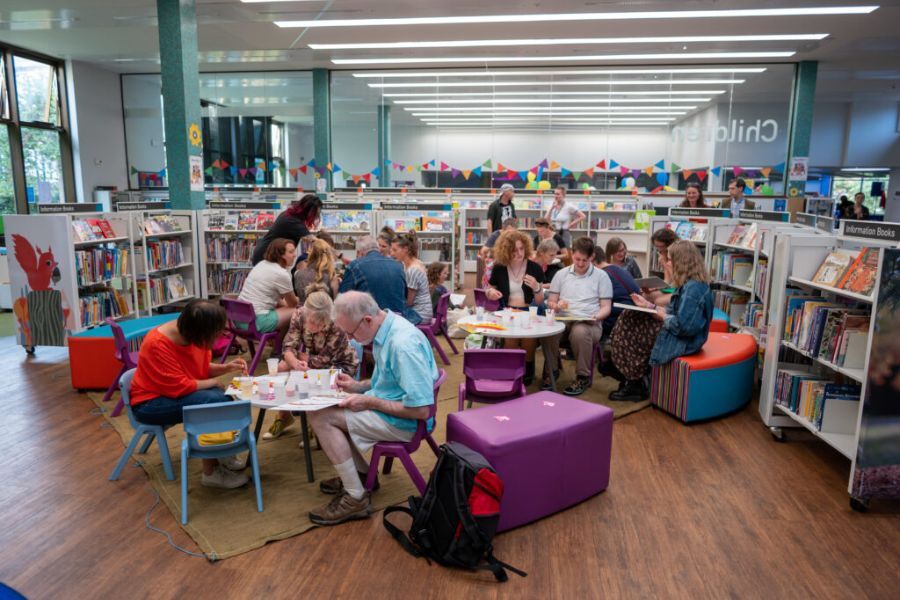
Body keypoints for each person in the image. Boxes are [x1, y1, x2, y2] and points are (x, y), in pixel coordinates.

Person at [307, 291, 439, 526]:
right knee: (328, 406)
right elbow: (389, 382)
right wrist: (358, 386)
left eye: (351, 332)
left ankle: (356, 495)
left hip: (406, 423)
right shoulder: (386, 328)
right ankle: (359, 476)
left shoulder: (401, 344)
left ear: (367, 320)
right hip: (394, 412)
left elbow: (421, 411)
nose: (352, 340)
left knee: (319, 415)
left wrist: (368, 401)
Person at [129, 300, 250, 489]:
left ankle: (220, 451)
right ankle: (210, 472)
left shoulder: (190, 334)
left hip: (171, 392)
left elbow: (194, 368)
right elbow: (179, 385)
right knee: (212, 401)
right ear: (200, 333)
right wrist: (214, 382)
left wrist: (225, 368)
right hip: (149, 403)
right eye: (217, 333)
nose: (219, 337)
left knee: (220, 397)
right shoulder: (158, 344)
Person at [610, 241, 713, 401]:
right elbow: (673, 312)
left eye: (670, 259)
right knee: (630, 316)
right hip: (679, 332)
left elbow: (683, 327)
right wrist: (648, 305)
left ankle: (634, 379)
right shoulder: (688, 284)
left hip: (685, 341)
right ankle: (632, 375)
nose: (667, 263)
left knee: (631, 327)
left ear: (682, 262)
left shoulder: (693, 289)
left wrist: (660, 315)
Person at [263, 286, 360, 441]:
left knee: (310, 379)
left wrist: (304, 360)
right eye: (313, 322)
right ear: (305, 313)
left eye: (322, 324)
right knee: (282, 367)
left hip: (340, 365)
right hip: (314, 359)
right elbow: (288, 347)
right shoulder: (299, 314)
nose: (317, 327)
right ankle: (284, 416)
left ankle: (316, 423)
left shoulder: (338, 323)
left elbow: (325, 360)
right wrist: (294, 362)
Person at [541, 237, 613, 396]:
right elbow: (551, 301)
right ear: (572, 254)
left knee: (580, 332)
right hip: (564, 318)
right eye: (577, 259)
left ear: (592, 257)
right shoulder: (561, 274)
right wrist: (554, 305)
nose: (580, 264)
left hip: (589, 322)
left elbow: (606, 307)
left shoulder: (601, 276)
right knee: (549, 331)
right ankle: (552, 371)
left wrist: (596, 316)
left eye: (585, 260)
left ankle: (582, 376)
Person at [485, 230, 545, 385]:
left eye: (521, 249)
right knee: (510, 340)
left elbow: (539, 302)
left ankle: (528, 370)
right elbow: (489, 289)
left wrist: (537, 288)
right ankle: (511, 370)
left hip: (529, 311)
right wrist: (490, 292)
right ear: (506, 251)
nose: (519, 253)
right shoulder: (500, 268)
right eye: (514, 250)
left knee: (528, 341)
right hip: (508, 311)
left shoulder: (534, 268)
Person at [238, 238, 299, 335]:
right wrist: (304, 301)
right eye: (291, 252)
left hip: (239, 318)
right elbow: (293, 304)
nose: (295, 255)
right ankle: (283, 346)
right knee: (299, 312)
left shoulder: (261, 264)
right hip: (256, 322)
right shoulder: (281, 273)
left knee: (283, 307)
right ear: (281, 255)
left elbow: (271, 297)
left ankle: (277, 345)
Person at [339, 236, 407, 315]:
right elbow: (405, 297)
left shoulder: (355, 266)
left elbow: (343, 299)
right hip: (397, 319)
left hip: (371, 320)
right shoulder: (398, 266)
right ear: (377, 248)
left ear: (359, 252)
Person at [251, 194, 322, 265]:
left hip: (268, 254)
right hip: (266, 256)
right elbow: (314, 240)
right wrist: (330, 250)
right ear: (309, 211)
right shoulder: (293, 221)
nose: (316, 216)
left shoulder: (289, 214)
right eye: (316, 214)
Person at [593, 246, 640, 338]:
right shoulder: (619, 269)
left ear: (592, 261)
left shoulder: (601, 275)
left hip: (617, 321)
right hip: (633, 317)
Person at [391, 232, 432, 325]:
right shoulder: (417, 262)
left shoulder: (412, 270)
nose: (392, 253)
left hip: (420, 314)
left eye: (395, 250)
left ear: (405, 249)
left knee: (389, 320)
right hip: (424, 311)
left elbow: (409, 302)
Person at [293, 237, 341, 303]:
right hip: (325, 312)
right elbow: (335, 302)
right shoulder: (331, 277)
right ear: (329, 256)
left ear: (311, 254)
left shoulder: (298, 274)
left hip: (304, 311)